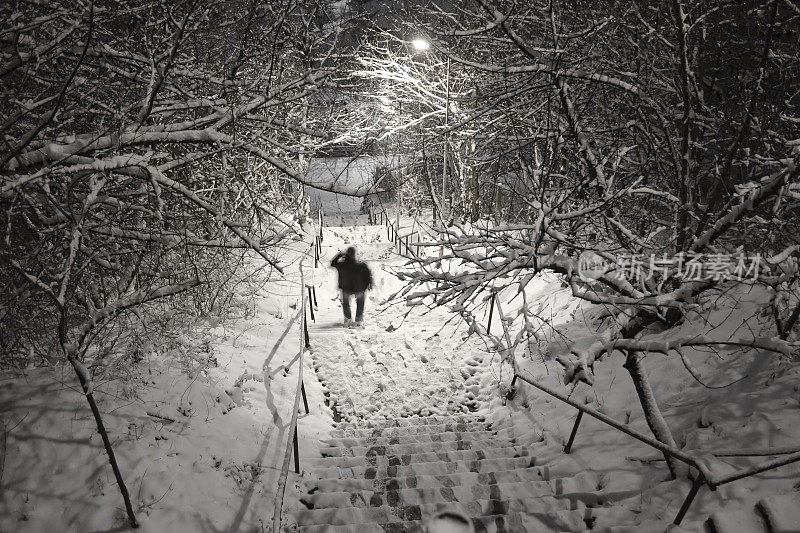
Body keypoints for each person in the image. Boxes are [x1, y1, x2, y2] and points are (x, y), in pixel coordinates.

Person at [330, 246, 373, 326]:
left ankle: (348, 318)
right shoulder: (361, 265)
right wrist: (369, 284)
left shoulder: (342, 265)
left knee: (346, 304)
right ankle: (358, 319)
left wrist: (339, 255)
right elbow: (367, 275)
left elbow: (332, 263)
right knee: (360, 303)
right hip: (359, 288)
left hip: (346, 288)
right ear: (354, 254)